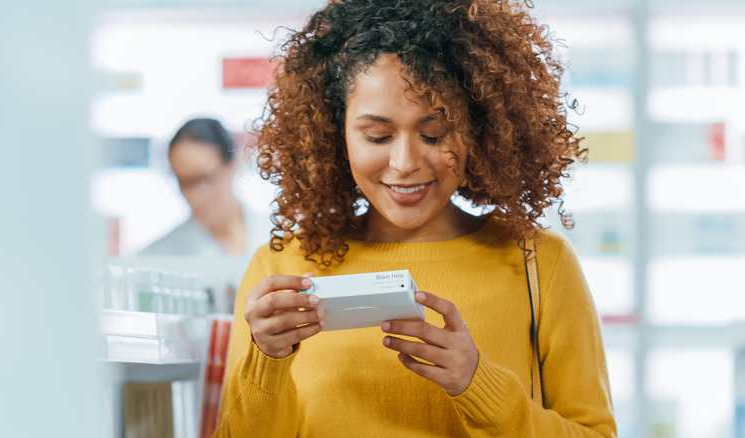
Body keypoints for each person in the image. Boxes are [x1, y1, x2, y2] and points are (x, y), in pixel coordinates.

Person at [215, 0, 617, 436]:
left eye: (433, 134)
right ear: (337, 134)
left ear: (478, 129)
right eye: (378, 136)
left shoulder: (539, 262)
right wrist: (267, 360)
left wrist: (477, 383)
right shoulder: (280, 271)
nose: (404, 162)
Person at [140, 118, 266, 257]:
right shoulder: (157, 256)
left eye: (204, 180)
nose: (195, 196)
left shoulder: (282, 237)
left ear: (232, 167)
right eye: (183, 183)